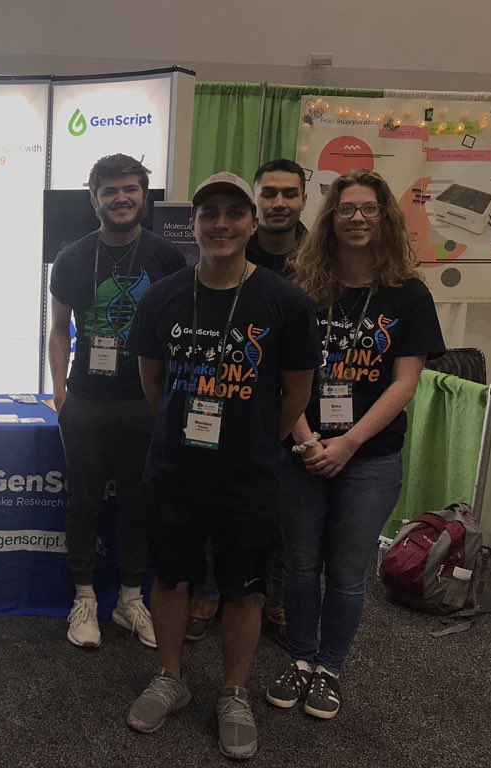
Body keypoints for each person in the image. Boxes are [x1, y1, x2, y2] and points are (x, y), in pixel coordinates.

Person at [126, 172, 320, 759]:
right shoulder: (162, 296)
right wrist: (188, 438)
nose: (222, 224)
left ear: (252, 223)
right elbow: (153, 384)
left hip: (249, 475)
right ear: (196, 224)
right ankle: (171, 677)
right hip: (174, 471)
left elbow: (296, 394)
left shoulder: (285, 301)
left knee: (244, 590)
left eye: (235, 213)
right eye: (210, 213)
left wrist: (255, 442)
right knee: (170, 577)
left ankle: (233, 690)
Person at [265, 170, 444, 720]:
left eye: (369, 208)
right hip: (302, 450)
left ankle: (329, 668)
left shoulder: (409, 294)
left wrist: (347, 442)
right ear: (330, 218)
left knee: (345, 571)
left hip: (370, 457)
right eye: (347, 209)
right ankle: (298, 660)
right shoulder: (301, 287)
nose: (358, 218)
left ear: (385, 216)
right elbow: (281, 372)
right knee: (298, 565)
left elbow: (405, 382)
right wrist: (307, 438)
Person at [48, 153, 186, 649]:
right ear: (94, 200)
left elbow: (177, 335)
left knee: (138, 504)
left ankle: (130, 599)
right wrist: (60, 393)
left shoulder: (167, 258)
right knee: (82, 503)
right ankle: (84, 598)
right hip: (86, 399)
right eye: (110, 191)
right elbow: (59, 330)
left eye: (130, 188)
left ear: (144, 196)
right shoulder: (72, 258)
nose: (121, 198)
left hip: (145, 403)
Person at [188, 158, 309, 644]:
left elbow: (300, 375)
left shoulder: (317, 258)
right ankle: (211, 590)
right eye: (270, 193)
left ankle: (273, 595)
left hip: (287, 410)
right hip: (222, 407)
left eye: (289, 194)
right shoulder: (224, 251)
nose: (279, 202)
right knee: (213, 507)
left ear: (303, 200)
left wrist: (276, 431)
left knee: (278, 513)